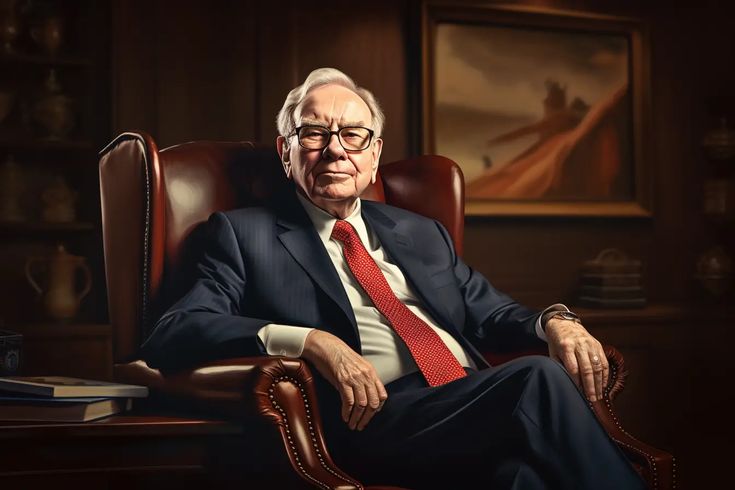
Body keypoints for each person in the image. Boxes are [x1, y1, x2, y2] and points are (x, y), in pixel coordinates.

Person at [140, 68, 645, 489]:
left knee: (522, 478)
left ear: (374, 153)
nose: (335, 150)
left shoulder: (420, 232)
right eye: (314, 133)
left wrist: (557, 321)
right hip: (370, 418)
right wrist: (312, 342)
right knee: (537, 378)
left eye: (353, 135)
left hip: (469, 400)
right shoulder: (242, 234)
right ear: (285, 150)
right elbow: (176, 329)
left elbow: (492, 312)